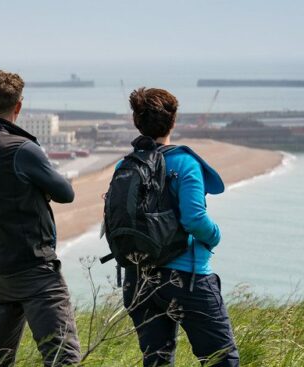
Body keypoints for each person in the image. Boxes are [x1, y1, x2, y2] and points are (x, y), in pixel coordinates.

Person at [0, 70, 81, 367]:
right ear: (19, 106)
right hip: (32, 268)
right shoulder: (22, 149)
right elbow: (66, 193)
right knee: (63, 357)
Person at [119, 87, 237, 366]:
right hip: (186, 277)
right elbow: (194, 219)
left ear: (137, 121)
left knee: (157, 360)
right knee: (221, 359)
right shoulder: (185, 162)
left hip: (138, 277)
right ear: (173, 121)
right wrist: (215, 236)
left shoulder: (125, 165)